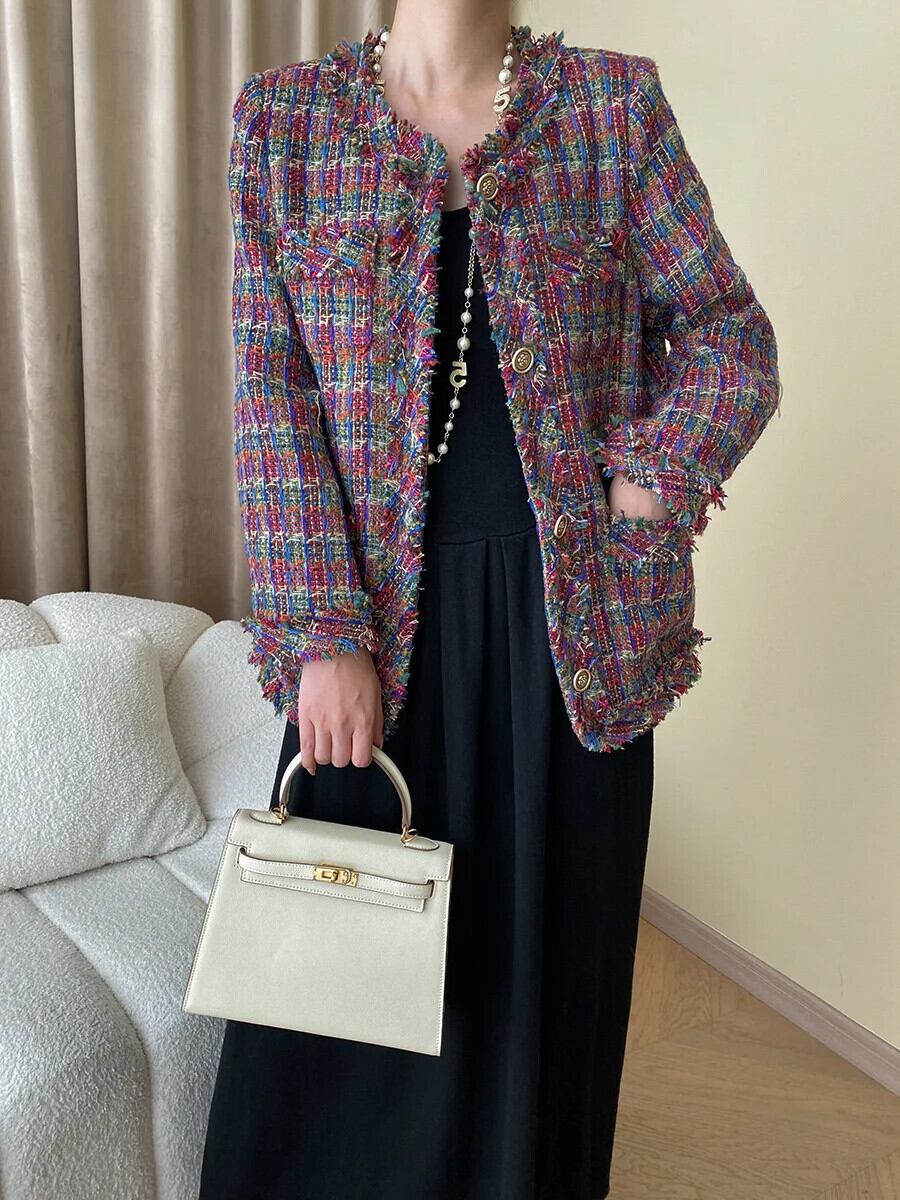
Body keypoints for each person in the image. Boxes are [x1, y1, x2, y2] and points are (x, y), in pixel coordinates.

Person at [198, 5, 780, 1198]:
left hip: (573, 648)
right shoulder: (285, 123)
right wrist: (322, 635)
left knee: (543, 1010)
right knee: (335, 1030)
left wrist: (647, 483)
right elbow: (271, 396)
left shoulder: (612, 110)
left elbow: (732, 337)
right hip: (371, 648)